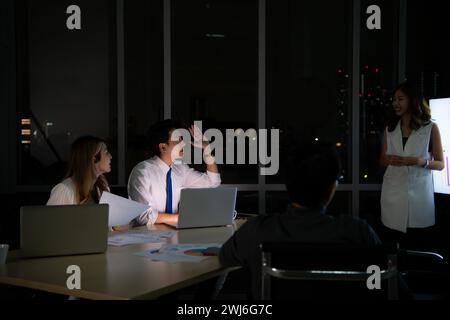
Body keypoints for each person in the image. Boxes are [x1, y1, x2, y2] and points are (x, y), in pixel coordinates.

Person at [219, 141, 381, 299]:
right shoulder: (358, 232)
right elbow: (392, 285)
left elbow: (225, 257)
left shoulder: (256, 230)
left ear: (287, 184)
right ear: (332, 187)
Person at [380, 82, 444, 248]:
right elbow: (382, 159)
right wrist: (390, 160)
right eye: (394, 99)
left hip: (419, 196)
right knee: (393, 245)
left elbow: (440, 164)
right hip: (393, 194)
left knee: (418, 244)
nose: (395, 103)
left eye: (400, 99)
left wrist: (418, 162)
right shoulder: (390, 128)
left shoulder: (430, 127)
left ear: (412, 100)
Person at [128, 119, 221, 226]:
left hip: (172, 233)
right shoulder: (142, 172)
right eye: (178, 139)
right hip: (146, 236)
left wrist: (207, 149)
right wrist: (181, 218)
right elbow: (144, 217)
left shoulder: (180, 169)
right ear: (163, 147)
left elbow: (212, 183)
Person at [47, 136, 112, 205]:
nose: (110, 156)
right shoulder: (64, 190)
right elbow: (51, 216)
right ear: (93, 158)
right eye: (106, 152)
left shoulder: (102, 187)